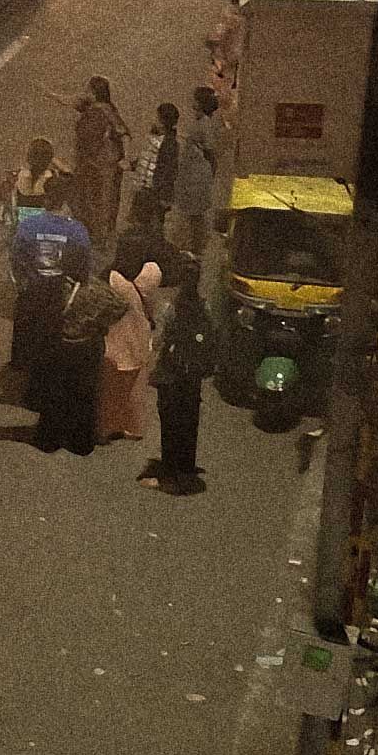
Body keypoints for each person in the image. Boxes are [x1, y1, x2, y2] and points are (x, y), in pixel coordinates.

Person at [29, 233, 127, 455]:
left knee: (55, 393)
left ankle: (49, 438)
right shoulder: (96, 289)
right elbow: (121, 307)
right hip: (87, 349)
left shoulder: (55, 287)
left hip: (60, 346)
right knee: (84, 395)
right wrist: (99, 324)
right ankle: (80, 441)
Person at [6, 172, 93, 378]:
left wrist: (23, 282)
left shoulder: (28, 226)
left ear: (46, 199)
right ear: (66, 201)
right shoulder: (78, 231)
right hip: (60, 294)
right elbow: (84, 266)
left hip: (32, 289)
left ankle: (21, 367)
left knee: (24, 331)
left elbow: (16, 258)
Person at [144, 271, 212, 493]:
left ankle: (170, 473)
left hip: (170, 374)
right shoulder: (204, 308)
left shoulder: (169, 308)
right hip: (192, 377)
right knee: (189, 422)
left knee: (170, 424)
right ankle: (186, 467)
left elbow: (157, 342)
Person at [100, 246, 165, 443]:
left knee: (111, 386)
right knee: (136, 385)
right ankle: (133, 427)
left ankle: (108, 427)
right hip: (140, 334)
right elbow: (153, 305)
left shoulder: (114, 278)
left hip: (115, 335)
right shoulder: (151, 272)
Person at [60, 76, 128, 246]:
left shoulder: (101, 113)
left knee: (96, 201)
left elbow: (122, 134)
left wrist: (122, 159)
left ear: (94, 93)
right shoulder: (98, 108)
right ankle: (98, 234)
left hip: (98, 166)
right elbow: (72, 102)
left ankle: (98, 237)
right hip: (94, 164)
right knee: (96, 200)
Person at [178, 89, 227, 257]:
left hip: (198, 173)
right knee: (192, 212)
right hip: (192, 171)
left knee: (196, 213)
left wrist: (211, 170)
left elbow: (210, 149)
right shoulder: (199, 121)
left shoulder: (205, 123)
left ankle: (196, 248)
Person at [129, 104, 183, 239]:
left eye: (156, 118)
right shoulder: (155, 138)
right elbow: (147, 158)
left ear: (162, 122)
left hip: (154, 193)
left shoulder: (169, 144)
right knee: (140, 224)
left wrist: (163, 195)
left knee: (152, 227)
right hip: (145, 189)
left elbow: (168, 171)